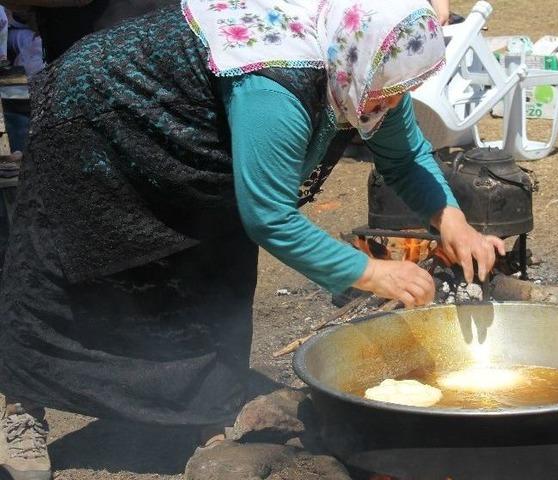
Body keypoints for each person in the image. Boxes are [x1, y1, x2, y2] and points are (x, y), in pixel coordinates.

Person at [0, 0, 505, 478]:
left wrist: (453, 222)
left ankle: (203, 410)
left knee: (214, 263)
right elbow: (269, 217)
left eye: (399, 92)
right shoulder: (277, 86)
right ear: (354, 59)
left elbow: (406, 155)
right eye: (384, 92)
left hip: (188, 126)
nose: (388, 103)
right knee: (66, 260)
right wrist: (370, 271)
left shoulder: (369, 68)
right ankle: (21, 407)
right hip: (98, 112)